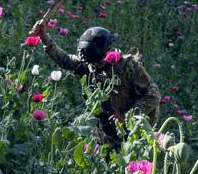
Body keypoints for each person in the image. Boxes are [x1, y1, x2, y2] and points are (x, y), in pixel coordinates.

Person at [29, 21, 161, 146]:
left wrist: (127, 117)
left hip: (134, 129)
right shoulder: (89, 63)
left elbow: (154, 95)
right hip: (105, 126)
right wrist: (43, 36)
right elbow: (65, 60)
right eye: (92, 64)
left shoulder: (128, 67)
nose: (95, 66)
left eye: (98, 62)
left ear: (108, 52)